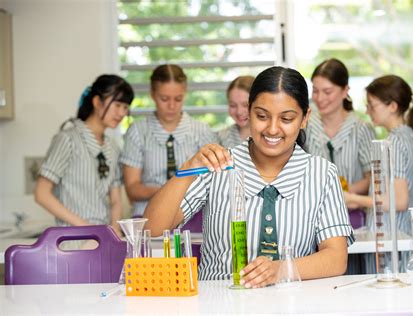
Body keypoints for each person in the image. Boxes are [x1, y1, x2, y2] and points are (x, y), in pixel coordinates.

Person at [144, 66, 354, 287]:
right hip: (218, 305)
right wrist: (187, 170)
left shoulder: (321, 174)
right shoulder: (219, 166)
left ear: (304, 118)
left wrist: (281, 269)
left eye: (286, 118)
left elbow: (336, 258)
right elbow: (152, 228)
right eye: (262, 116)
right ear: (248, 113)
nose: (272, 129)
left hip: (292, 305)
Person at [344, 74, 413, 272]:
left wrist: (352, 198)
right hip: (396, 240)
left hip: (391, 245)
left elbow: (399, 201)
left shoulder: (395, 142)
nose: (367, 110)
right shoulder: (407, 136)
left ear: (392, 106)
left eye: (372, 104)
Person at [35, 74, 134, 235]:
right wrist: (87, 229)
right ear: (97, 102)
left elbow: (116, 201)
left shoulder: (113, 148)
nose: (122, 112)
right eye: (117, 105)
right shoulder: (67, 139)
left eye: (125, 107)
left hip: (102, 240)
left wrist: (114, 235)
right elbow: (42, 194)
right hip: (72, 241)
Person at [120, 64, 216, 216]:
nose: (171, 105)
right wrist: (172, 191)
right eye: (164, 98)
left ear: (185, 93)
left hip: (192, 217)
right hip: (147, 216)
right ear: (152, 94)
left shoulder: (202, 131)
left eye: (178, 99)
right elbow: (132, 189)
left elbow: (212, 182)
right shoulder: (137, 131)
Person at [305, 58, 375, 195]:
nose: (319, 98)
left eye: (327, 92)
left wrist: (340, 193)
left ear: (345, 91)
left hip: (351, 212)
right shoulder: (305, 126)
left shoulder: (361, 129)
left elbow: (372, 178)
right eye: (315, 91)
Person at [217, 75, 255, 148]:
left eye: (245, 105)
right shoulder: (220, 138)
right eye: (233, 105)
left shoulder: (270, 136)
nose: (239, 112)